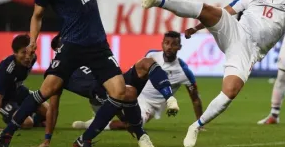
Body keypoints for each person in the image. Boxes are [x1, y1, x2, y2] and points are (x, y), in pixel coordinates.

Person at [141, 0, 285, 147]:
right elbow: (224, 13)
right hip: (235, 32)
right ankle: (156, 0)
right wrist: (197, 28)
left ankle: (196, 126)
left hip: (248, 52)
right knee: (209, 10)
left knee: (230, 91)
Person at [0, 0, 152, 147]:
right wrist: (33, 41)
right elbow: (37, 16)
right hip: (71, 46)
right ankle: (7, 133)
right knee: (46, 91)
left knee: (119, 91)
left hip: (98, 46)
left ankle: (84, 141)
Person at [34, 34, 177, 147]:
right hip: (101, 94)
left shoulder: (85, 53)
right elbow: (53, 108)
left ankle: (169, 98)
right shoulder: (58, 73)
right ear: (58, 50)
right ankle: (139, 135)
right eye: (63, 43)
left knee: (146, 63)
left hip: (116, 81)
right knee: (129, 98)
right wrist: (47, 139)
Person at [71, 31, 203, 130]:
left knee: (132, 124)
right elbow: (138, 72)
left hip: (150, 105)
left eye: (174, 44)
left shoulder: (184, 71)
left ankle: (91, 124)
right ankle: (97, 115)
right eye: (166, 43)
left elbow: (195, 99)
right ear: (162, 43)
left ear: (179, 47)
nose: (169, 47)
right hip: (135, 91)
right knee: (102, 91)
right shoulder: (151, 55)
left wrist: (199, 123)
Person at [0, 35, 48, 129]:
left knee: (49, 112)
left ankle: (27, 116)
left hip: (18, 90)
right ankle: (11, 117)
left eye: (30, 53)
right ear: (15, 53)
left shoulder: (33, 58)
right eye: (23, 53)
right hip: (5, 99)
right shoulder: (6, 70)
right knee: (27, 123)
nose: (28, 57)